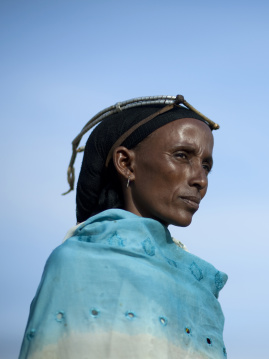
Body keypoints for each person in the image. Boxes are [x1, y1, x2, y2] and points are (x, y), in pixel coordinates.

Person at [19, 95, 228, 359]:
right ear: (126, 164)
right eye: (181, 155)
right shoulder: (76, 264)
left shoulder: (200, 284)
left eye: (206, 165)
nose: (200, 179)